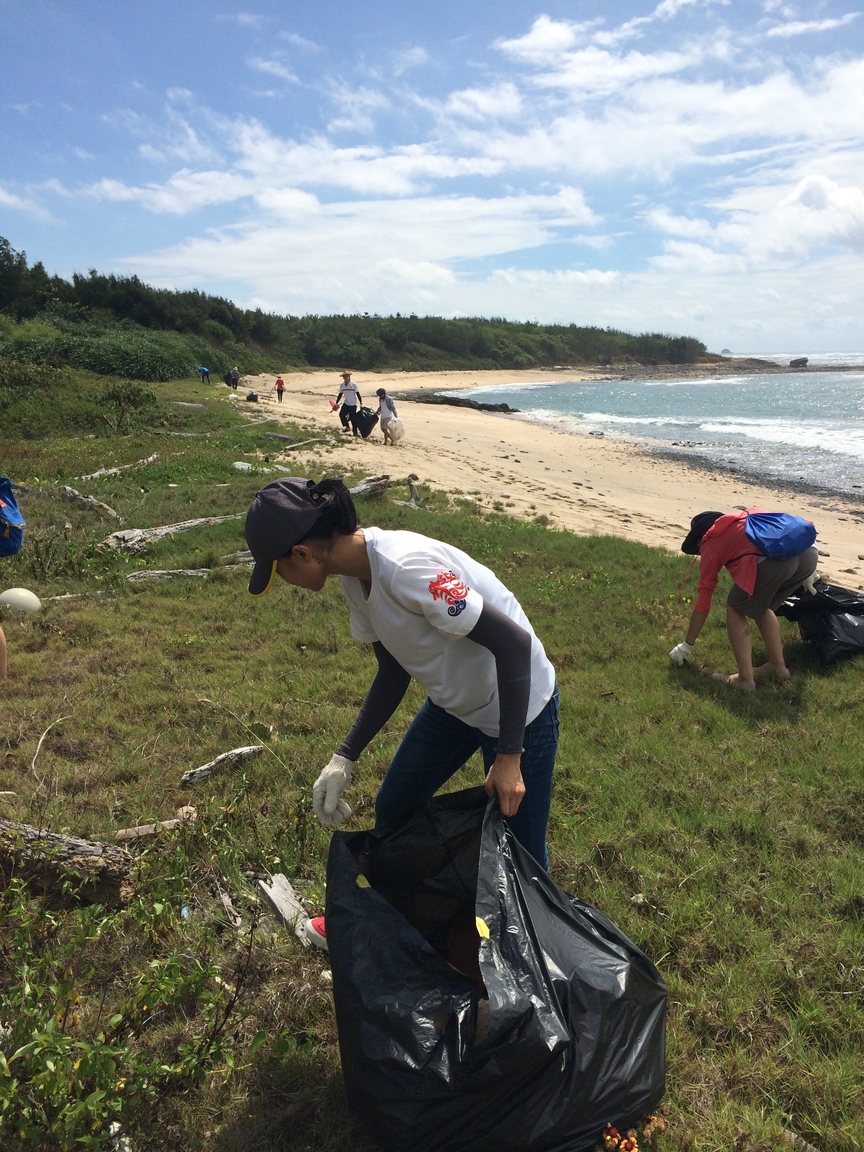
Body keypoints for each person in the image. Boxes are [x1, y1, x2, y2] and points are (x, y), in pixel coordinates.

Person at [245, 476, 559, 949]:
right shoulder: (355, 578)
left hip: (520, 708)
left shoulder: (408, 569)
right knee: (396, 808)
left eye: (279, 571)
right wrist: (344, 757)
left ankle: (544, 964)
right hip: (456, 706)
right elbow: (392, 673)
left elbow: (514, 645)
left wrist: (510, 756)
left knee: (523, 856)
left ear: (302, 554)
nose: (284, 581)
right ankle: (399, 919)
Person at [669, 509, 818, 691]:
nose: (700, 552)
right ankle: (777, 667)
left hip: (777, 561)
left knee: (735, 606)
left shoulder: (711, 541)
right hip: (809, 554)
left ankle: (745, 680)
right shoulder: (746, 518)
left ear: (701, 537)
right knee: (761, 606)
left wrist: (686, 645)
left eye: (697, 546)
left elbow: (704, 600)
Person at [335, 371, 362, 436]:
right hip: (346, 403)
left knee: (353, 419)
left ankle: (355, 432)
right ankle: (347, 427)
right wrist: (336, 403)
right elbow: (340, 394)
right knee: (341, 414)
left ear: (349, 376)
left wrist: (361, 402)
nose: (345, 377)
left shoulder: (354, 385)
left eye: (346, 376)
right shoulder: (342, 385)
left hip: (353, 404)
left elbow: (358, 394)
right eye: (344, 376)